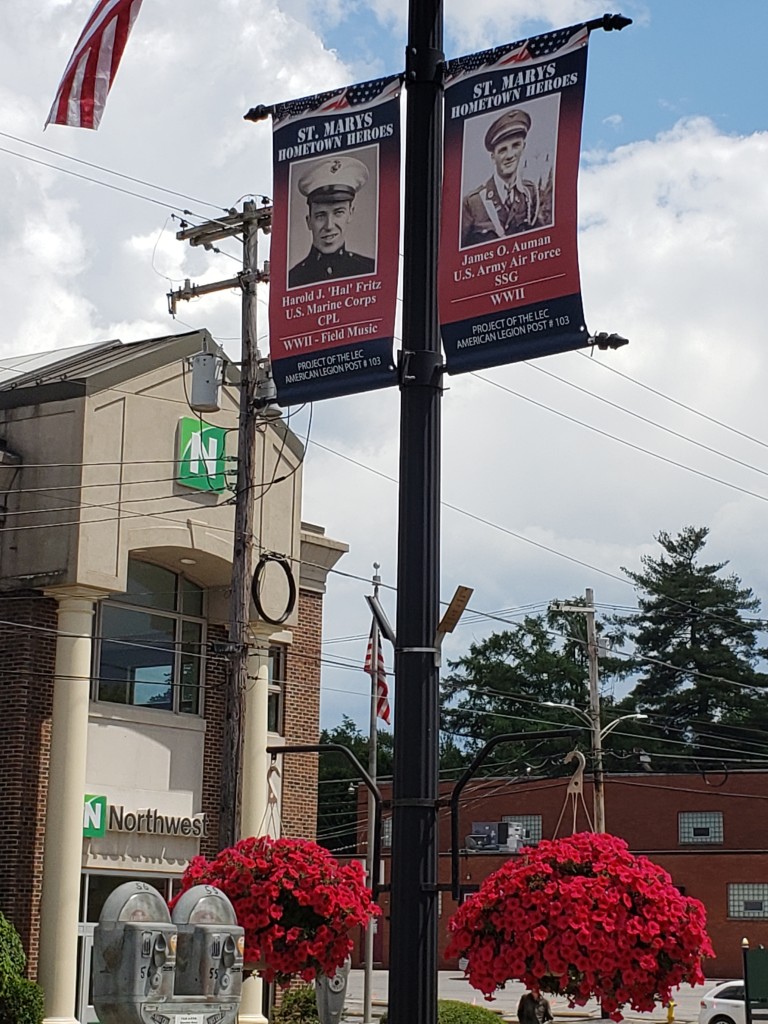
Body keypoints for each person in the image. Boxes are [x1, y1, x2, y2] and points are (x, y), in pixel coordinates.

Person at [461, 109, 547, 247]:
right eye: (502, 150)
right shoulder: (473, 203)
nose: (509, 155)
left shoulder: (530, 194)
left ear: (523, 147)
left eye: (515, 146)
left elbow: (543, 241)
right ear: (493, 156)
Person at [288, 155, 376, 287]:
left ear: (350, 213)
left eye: (338, 213)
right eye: (320, 215)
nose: (329, 225)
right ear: (309, 221)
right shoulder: (293, 278)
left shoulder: (368, 268)